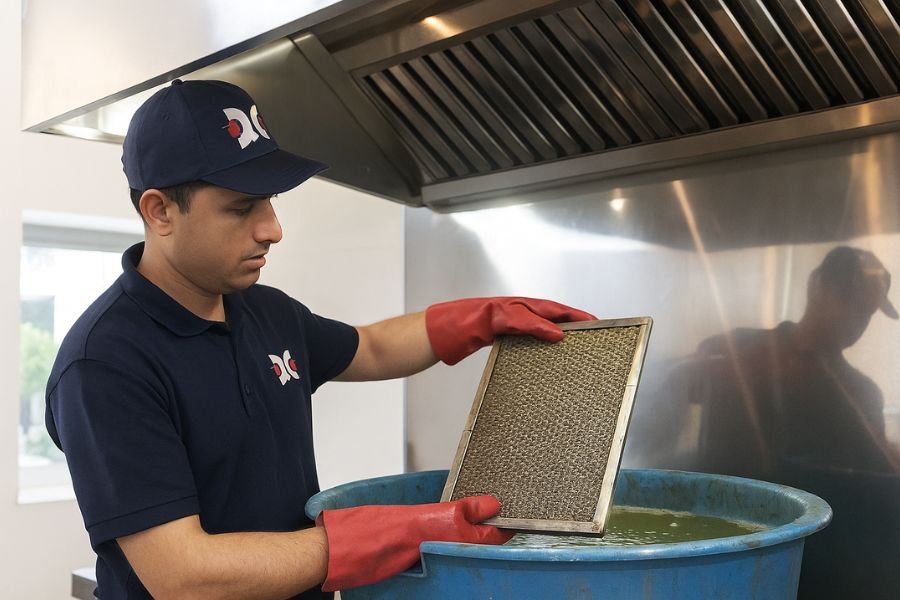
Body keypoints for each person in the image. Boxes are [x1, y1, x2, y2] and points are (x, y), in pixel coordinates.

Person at [44, 79, 596, 600]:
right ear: (160, 211)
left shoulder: (263, 310)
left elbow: (373, 347)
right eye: (241, 208)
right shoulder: (106, 364)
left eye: (271, 202)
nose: (272, 228)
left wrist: (479, 318)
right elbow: (183, 576)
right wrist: (387, 536)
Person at [656, 245, 899, 599]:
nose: (856, 322)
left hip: (817, 559)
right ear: (817, 287)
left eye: (866, 313)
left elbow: (877, 474)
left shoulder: (862, 392)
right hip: (715, 544)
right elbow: (667, 399)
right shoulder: (737, 349)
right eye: (850, 302)